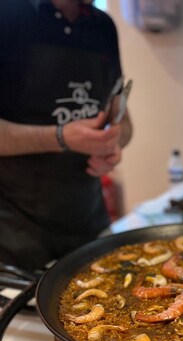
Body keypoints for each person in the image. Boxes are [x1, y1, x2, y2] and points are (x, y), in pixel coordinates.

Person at [0, 0, 133, 272]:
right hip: (15, 236)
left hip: (89, 223)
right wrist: (60, 136)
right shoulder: (9, 13)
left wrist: (111, 145)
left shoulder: (103, 25)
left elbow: (123, 120)